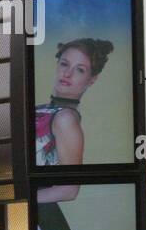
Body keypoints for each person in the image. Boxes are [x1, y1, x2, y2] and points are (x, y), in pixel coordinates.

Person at [35, 37, 114, 201]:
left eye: (80, 70)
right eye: (64, 64)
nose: (67, 74)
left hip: (35, 216)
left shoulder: (65, 119)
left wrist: (12, 199)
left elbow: (69, 190)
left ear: (92, 79)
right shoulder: (41, 109)